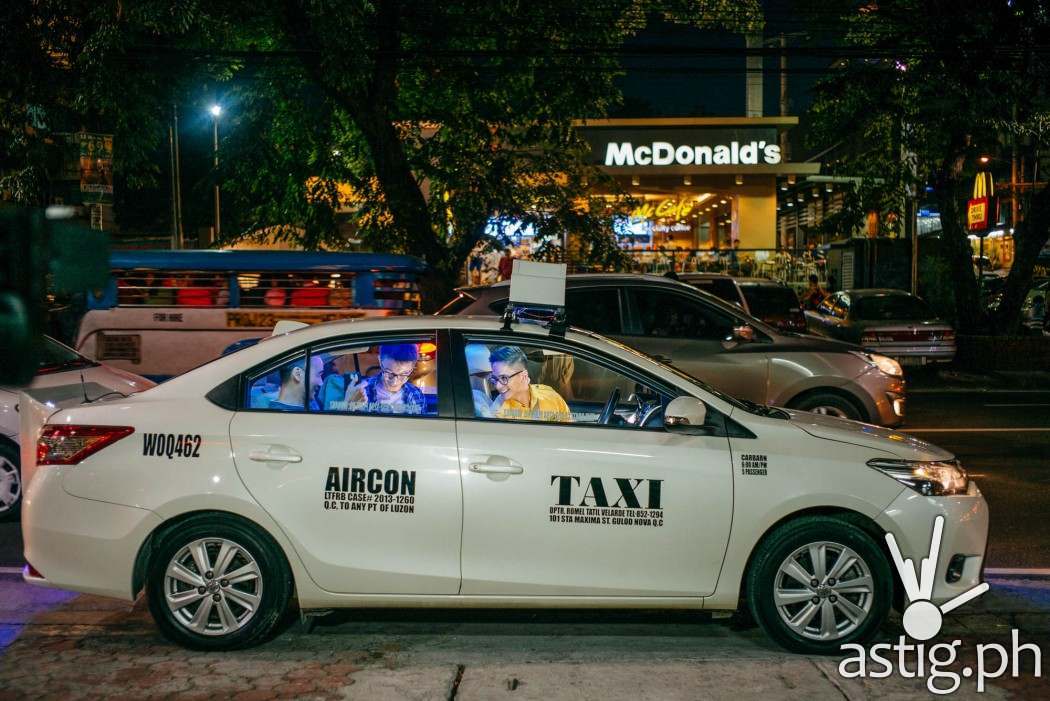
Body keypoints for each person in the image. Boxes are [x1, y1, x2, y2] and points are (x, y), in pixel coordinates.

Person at [488, 345, 571, 422]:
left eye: (504, 378)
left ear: (523, 376)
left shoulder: (550, 395)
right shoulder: (498, 414)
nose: (498, 386)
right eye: (495, 379)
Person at [343, 344, 426, 414]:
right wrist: (348, 407)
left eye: (403, 374)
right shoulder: (361, 392)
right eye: (389, 372)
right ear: (380, 361)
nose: (394, 382)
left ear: (411, 369)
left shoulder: (416, 395)